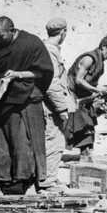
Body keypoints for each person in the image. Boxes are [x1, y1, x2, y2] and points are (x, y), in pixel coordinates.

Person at [0, 17, 54, 194]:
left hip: (24, 98)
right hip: (2, 100)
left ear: (12, 30)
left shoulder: (31, 44)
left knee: (22, 141)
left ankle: (23, 180)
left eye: (1, 36)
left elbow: (42, 73)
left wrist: (18, 75)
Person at [39, 17, 75, 191]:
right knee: (55, 142)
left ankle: (49, 177)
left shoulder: (47, 48)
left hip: (49, 105)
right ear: (63, 32)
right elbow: (52, 83)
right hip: (51, 107)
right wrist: (61, 108)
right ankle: (47, 181)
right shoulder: (50, 51)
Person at [66, 38, 107, 161]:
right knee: (81, 123)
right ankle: (84, 153)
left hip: (85, 95)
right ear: (103, 47)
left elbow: (92, 82)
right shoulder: (89, 59)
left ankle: (86, 152)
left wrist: (103, 91)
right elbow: (79, 80)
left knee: (89, 122)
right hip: (74, 94)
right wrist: (96, 90)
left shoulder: (101, 63)